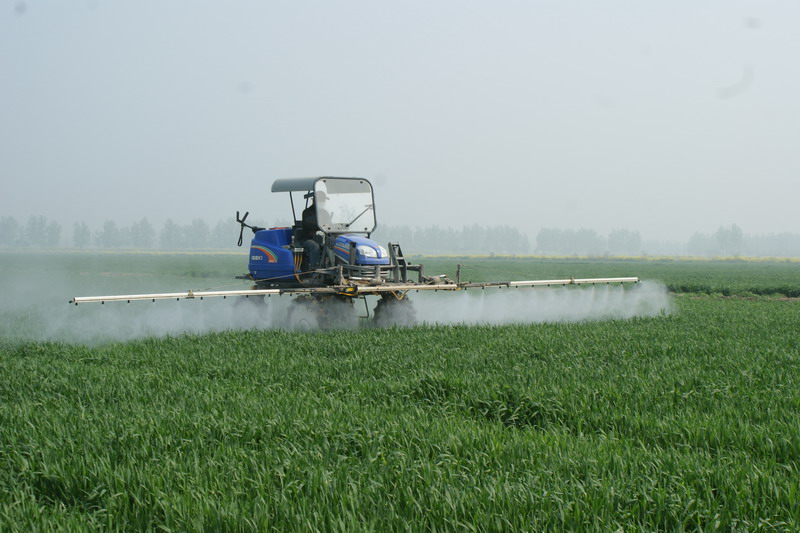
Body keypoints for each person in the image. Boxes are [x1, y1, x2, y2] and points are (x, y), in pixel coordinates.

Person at [299, 191, 331, 271]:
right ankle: (314, 268)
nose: (323, 202)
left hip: (324, 238)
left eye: (323, 200)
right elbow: (308, 224)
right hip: (308, 238)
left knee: (335, 244)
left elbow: (330, 224)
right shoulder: (307, 212)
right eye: (321, 200)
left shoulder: (325, 213)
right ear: (315, 200)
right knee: (315, 246)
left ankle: (332, 266)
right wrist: (320, 227)